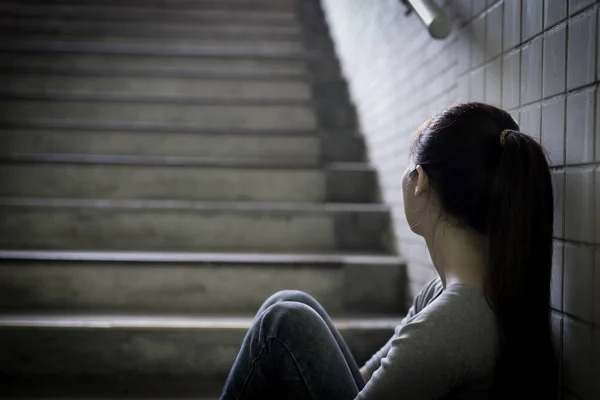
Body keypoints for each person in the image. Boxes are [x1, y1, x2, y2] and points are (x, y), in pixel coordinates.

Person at [220, 102, 559, 400]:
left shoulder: (451, 323)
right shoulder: (449, 293)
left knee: (283, 322)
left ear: (420, 182)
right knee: (292, 303)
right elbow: (369, 377)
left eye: (409, 168)